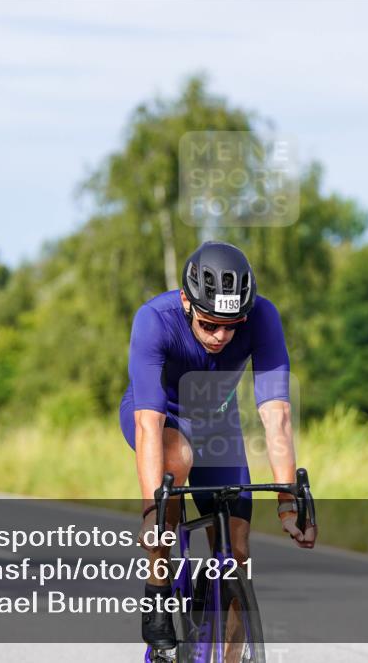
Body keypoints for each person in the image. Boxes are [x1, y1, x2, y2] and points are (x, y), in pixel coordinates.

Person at [119, 241, 317, 649]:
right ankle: (158, 586)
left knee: (238, 552)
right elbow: (148, 423)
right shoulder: (155, 320)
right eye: (209, 324)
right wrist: (152, 512)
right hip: (160, 416)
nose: (221, 336)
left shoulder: (263, 317)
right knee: (178, 459)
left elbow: (276, 413)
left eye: (231, 325)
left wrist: (287, 502)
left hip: (216, 423)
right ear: (187, 303)